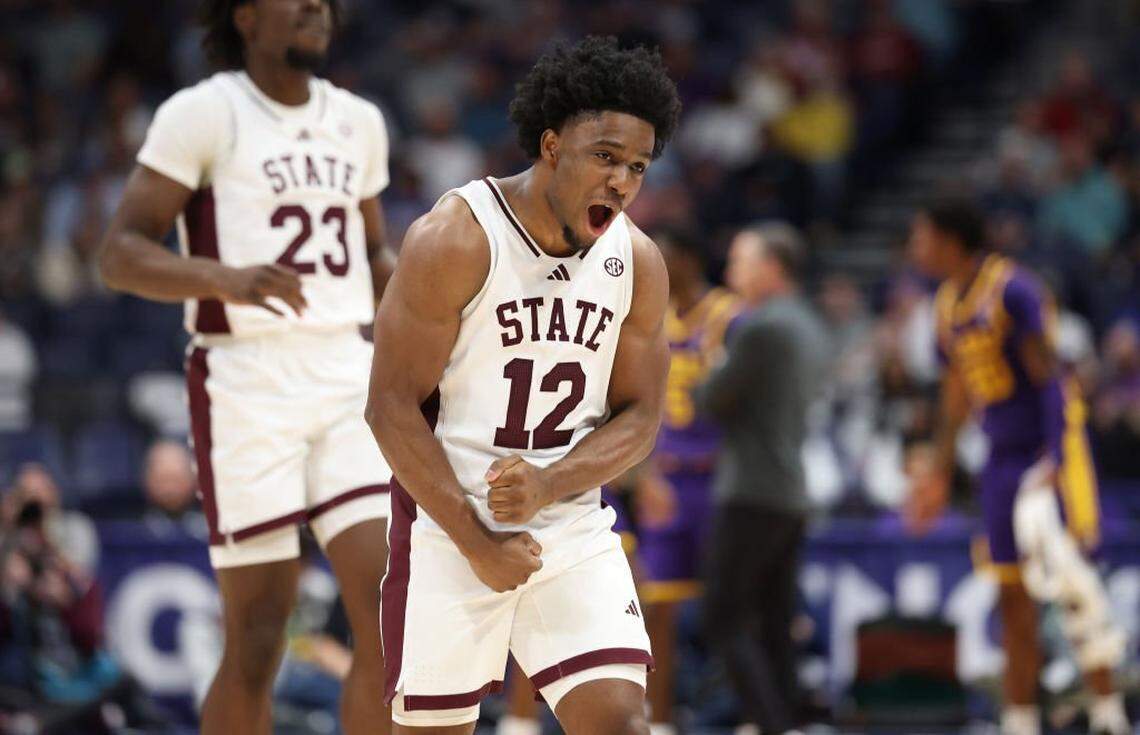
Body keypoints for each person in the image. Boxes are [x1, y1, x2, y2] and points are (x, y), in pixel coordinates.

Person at [366, 35, 681, 735]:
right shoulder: (455, 237)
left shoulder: (639, 261)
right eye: (605, 156)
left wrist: (549, 481)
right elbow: (388, 406)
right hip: (447, 525)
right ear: (550, 145)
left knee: (623, 722)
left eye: (637, 165)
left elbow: (640, 418)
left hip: (566, 521)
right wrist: (476, 537)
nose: (622, 182)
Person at [96, 1, 394, 733]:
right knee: (259, 635)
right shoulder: (203, 112)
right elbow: (120, 252)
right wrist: (225, 279)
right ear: (249, 15)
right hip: (245, 379)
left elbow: (377, 252)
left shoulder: (360, 120)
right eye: (300, 1)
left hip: (345, 368)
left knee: (395, 610)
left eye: (326, 2)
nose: (318, 10)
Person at [909, 199, 1130, 735]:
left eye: (921, 235)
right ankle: (1020, 719)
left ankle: (1108, 713)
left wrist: (1055, 459)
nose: (915, 248)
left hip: (1046, 450)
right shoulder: (944, 306)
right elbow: (956, 396)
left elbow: (1051, 379)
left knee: (1076, 588)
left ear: (948, 239)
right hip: (1000, 458)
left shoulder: (1013, 288)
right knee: (1011, 595)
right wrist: (938, 471)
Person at [696, 222, 828, 735]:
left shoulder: (760, 327)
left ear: (772, 267)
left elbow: (710, 400)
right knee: (775, 622)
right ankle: (787, 720)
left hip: (751, 489)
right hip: (791, 490)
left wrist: (710, 364)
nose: (731, 273)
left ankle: (769, 722)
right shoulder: (809, 324)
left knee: (722, 617)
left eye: (741, 261)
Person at [634, 227, 739, 734]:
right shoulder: (651, 316)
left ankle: (748, 715)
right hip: (669, 482)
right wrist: (647, 473)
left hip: (720, 480)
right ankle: (660, 722)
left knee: (734, 613)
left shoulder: (731, 317)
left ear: (689, 260)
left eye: (665, 258)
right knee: (660, 610)